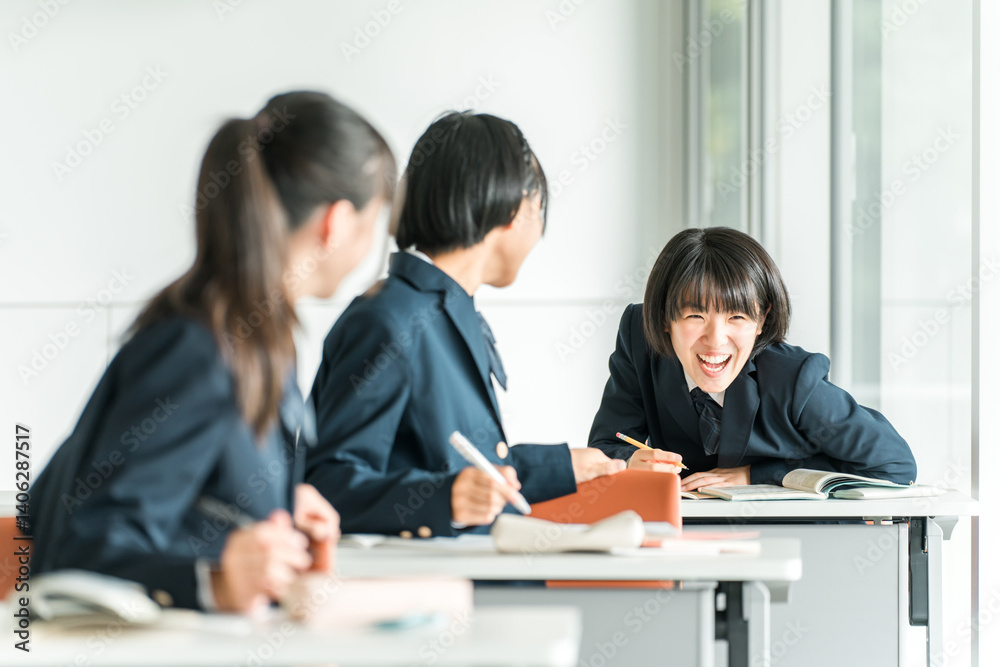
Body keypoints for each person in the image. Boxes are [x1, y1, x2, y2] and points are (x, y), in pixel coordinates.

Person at [29, 91, 396, 613]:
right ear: (335, 223)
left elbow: (179, 500)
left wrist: (272, 504)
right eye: (374, 222)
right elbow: (85, 552)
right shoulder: (198, 351)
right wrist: (216, 581)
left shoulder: (259, 343)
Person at [306, 111, 623, 537]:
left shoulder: (443, 311)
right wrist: (442, 499)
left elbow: (456, 469)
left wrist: (560, 465)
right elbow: (327, 486)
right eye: (539, 208)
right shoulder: (389, 320)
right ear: (513, 207)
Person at [588, 226, 917, 490]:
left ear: (762, 320)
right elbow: (605, 444)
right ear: (664, 317)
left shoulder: (793, 379)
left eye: (737, 317)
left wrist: (758, 474)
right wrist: (629, 462)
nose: (715, 340)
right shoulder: (641, 340)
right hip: (684, 536)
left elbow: (895, 465)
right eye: (695, 316)